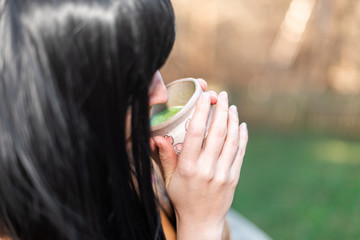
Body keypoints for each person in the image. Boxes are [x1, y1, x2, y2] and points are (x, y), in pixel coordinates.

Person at [0, 0, 248, 239]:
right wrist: (200, 225)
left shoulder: (141, 178)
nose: (161, 94)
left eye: (155, 67)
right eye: (135, 81)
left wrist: (189, 198)